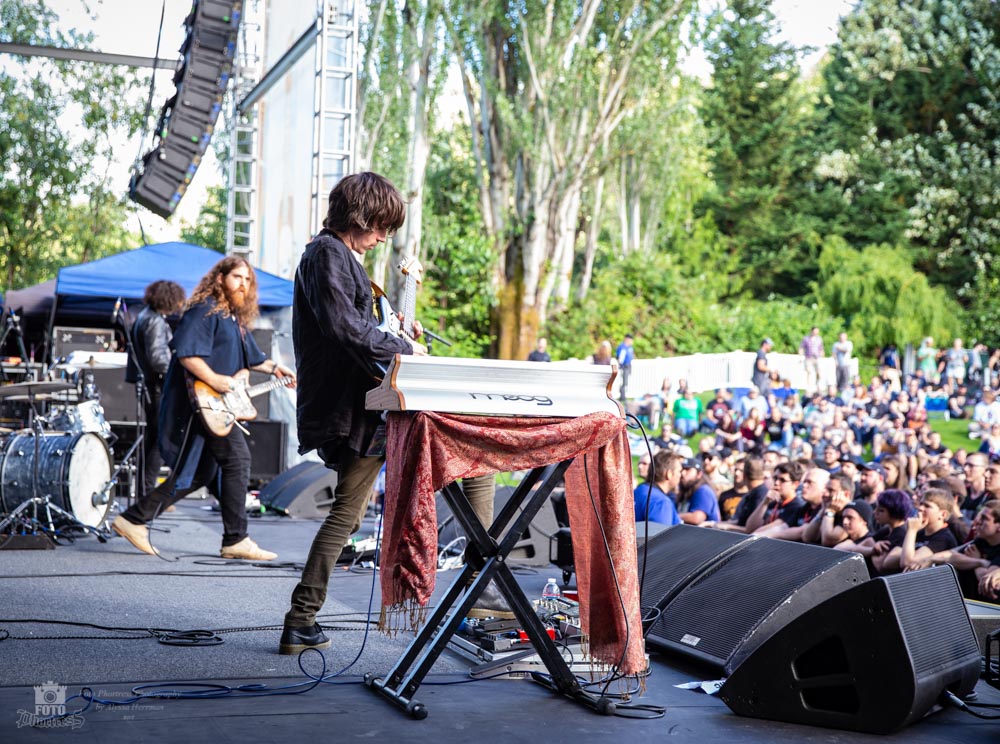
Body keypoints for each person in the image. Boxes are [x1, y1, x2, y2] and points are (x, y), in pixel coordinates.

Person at [278, 173, 498, 655]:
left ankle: (301, 619)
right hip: (356, 410)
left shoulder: (338, 259)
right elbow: (346, 330)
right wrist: (406, 348)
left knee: (349, 514)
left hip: (367, 407)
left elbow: (361, 326)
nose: (383, 237)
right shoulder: (327, 254)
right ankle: (481, 591)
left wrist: (397, 329)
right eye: (380, 226)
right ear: (360, 216)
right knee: (476, 460)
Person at [112, 257, 294, 560]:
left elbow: (252, 358)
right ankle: (236, 539)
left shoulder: (233, 318)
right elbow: (185, 354)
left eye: (248, 280)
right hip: (202, 404)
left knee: (199, 473)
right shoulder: (205, 309)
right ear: (220, 278)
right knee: (238, 459)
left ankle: (133, 519)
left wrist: (276, 368)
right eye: (237, 277)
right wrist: (215, 380)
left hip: (216, 407)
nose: (243, 284)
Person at [125, 280, 186, 498]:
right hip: (158, 388)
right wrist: (180, 373)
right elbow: (158, 359)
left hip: (148, 387)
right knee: (160, 442)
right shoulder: (155, 321)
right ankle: (148, 493)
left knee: (153, 439)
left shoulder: (144, 317)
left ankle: (145, 492)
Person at [798, 327, 824, 394]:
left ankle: (819, 388)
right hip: (809, 358)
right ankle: (809, 389)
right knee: (810, 373)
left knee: (819, 373)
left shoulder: (819, 339)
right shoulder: (806, 339)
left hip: (817, 358)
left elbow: (821, 349)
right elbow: (801, 348)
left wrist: (822, 357)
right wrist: (801, 357)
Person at [615, 334, 635, 403]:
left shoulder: (629, 347)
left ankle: (623, 396)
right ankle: (622, 397)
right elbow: (620, 359)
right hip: (624, 367)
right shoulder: (623, 347)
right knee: (623, 382)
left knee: (626, 382)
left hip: (628, 366)